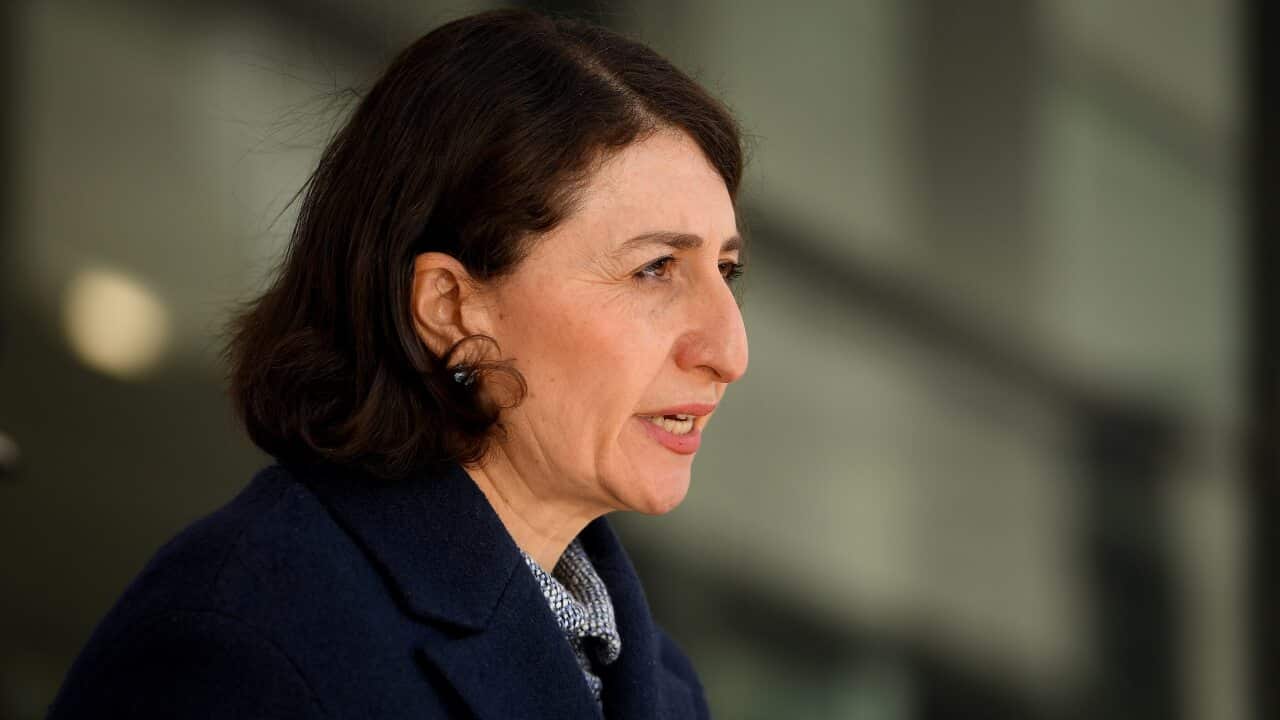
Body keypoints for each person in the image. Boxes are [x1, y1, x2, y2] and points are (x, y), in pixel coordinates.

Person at [48, 7, 748, 719]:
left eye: (727, 270)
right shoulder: (247, 639)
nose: (730, 352)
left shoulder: (659, 681)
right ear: (449, 307)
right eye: (655, 268)